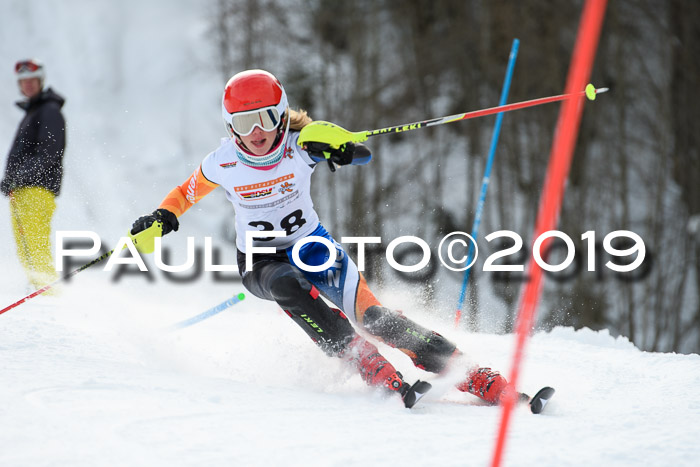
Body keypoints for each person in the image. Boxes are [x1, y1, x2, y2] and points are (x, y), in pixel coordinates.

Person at [130, 69, 508, 407]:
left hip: (313, 247)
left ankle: (469, 372)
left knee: (375, 317)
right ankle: (362, 359)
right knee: (288, 285)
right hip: (261, 261)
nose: (256, 132)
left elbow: (358, 154)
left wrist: (341, 152)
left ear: (281, 114)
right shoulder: (223, 162)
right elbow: (184, 193)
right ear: (231, 127)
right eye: (244, 123)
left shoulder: (301, 144)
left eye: (265, 118)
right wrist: (162, 217)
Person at [1, 59, 66, 291]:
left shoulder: (49, 111)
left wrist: (19, 177)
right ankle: (40, 294)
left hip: (36, 191)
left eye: (32, 80)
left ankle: (50, 295)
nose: (27, 85)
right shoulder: (34, 111)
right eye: (23, 81)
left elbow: (50, 152)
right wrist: (13, 181)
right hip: (23, 190)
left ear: (41, 81)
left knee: (36, 248)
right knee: (25, 247)